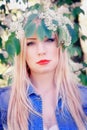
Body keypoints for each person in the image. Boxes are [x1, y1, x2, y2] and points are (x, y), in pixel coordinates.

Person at [0, 2, 87, 130]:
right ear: (22, 51)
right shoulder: (3, 103)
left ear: (60, 46)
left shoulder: (84, 98)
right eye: (30, 43)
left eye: (49, 40)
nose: (41, 51)